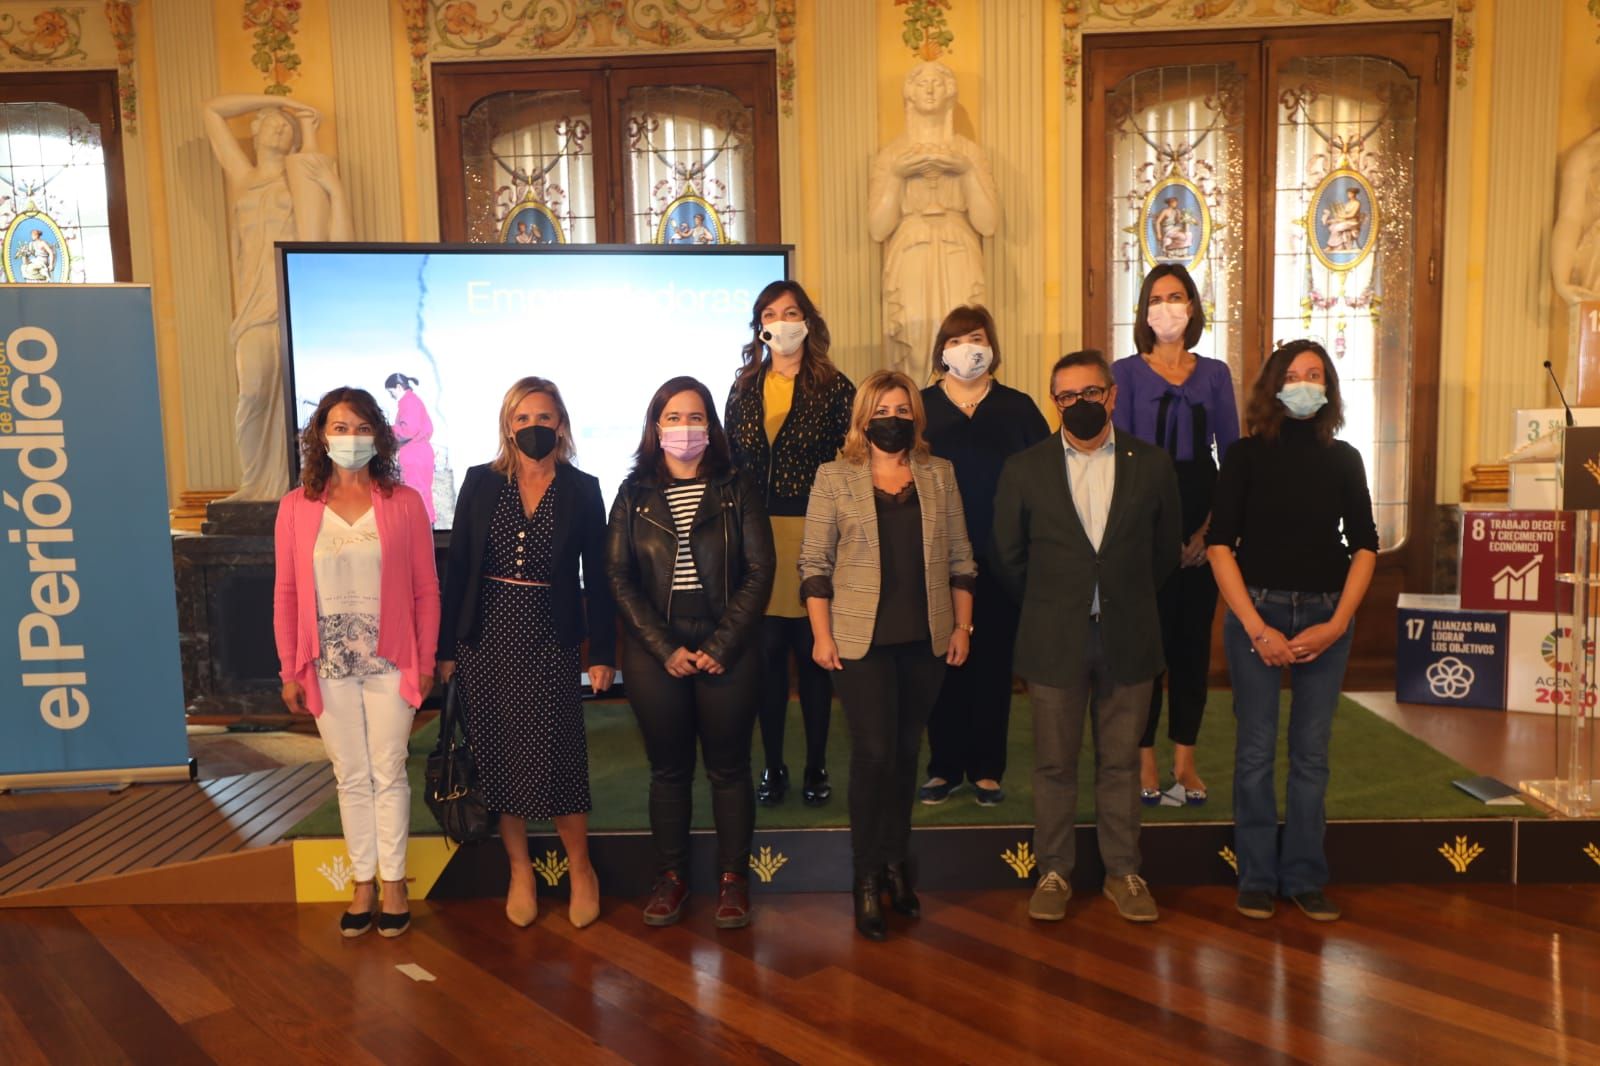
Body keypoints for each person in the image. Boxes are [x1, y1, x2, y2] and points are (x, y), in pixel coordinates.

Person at [992, 350, 1181, 925]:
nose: (1078, 405)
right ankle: (1054, 872)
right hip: (1054, 639)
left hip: (1130, 636)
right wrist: (1059, 602)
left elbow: (1164, 552)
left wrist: (1119, 597)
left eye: (1089, 393)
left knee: (1122, 763)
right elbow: (1008, 556)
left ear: (1112, 395)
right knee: (1054, 764)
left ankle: (1123, 872)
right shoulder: (1025, 468)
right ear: (1055, 402)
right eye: (1066, 397)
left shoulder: (1151, 465)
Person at [798, 369, 976, 941]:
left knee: (905, 755)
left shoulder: (939, 475)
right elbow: (814, 566)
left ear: (916, 418)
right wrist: (821, 636)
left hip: (925, 639)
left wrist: (963, 625)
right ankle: (866, 877)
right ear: (862, 418)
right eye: (882, 409)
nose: (893, 419)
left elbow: (961, 558)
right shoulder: (833, 477)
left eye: (903, 410)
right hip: (858, 642)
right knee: (873, 756)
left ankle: (898, 863)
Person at [1207, 339, 1377, 923]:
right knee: (1255, 753)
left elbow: (1365, 546)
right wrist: (1256, 630)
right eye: (1295, 374)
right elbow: (1219, 547)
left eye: (1316, 374)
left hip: (1327, 616)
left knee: (1311, 755)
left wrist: (1336, 624)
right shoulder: (1244, 455)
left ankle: (1304, 875)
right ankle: (1256, 876)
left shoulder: (1346, 458)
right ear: (1273, 385)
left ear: (1328, 389)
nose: (1306, 383)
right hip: (1258, 613)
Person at [437, 377, 616, 929]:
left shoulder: (583, 489)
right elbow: (459, 568)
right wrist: (448, 650)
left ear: (560, 423)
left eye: (543, 418)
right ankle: (520, 870)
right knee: (499, 758)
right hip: (485, 640)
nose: (533, 428)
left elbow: (602, 580)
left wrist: (601, 653)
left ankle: (581, 868)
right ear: (506, 426)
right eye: (522, 419)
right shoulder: (478, 483)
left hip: (550, 638)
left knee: (559, 755)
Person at [606, 377, 775, 929]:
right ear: (656, 427)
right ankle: (672, 877)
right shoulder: (633, 494)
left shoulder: (737, 487)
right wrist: (664, 647)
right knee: (669, 771)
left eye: (695, 417)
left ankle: (733, 880)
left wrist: (723, 643)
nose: (685, 428)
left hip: (730, 644)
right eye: (673, 418)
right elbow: (618, 575)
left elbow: (759, 570)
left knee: (729, 769)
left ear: (711, 425)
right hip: (657, 650)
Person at [273, 387, 439, 939]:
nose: (350, 438)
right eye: (339, 428)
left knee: (388, 771)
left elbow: (425, 591)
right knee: (351, 775)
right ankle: (361, 884)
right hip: (325, 664)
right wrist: (289, 670)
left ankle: (394, 884)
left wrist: (427, 658)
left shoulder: (405, 502)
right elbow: (286, 592)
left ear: (379, 434)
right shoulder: (297, 506)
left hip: (392, 659)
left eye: (361, 426)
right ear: (321, 435)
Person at [1112, 265, 1239, 808]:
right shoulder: (1121, 372)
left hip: (1201, 506)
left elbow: (1233, 458)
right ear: (1144, 311)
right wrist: (1154, 538)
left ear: (1192, 307)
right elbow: (1113, 459)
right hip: (1141, 513)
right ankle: (1144, 756)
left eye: (1177, 297)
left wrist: (1207, 533)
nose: (1167, 307)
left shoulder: (1214, 373)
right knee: (1146, 649)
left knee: (1190, 648)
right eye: (1157, 298)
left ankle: (1185, 760)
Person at [724, 281, 855, 809]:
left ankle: (816, 762)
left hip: (816, 536)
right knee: (768, 661)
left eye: (792, 312)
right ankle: (774, 764)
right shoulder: (742, 387)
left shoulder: (835, 387)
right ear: (760, 325)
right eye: (771, 314)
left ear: (808, 321)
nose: (783, 322)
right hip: (757, 540)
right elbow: (730, 464)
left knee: (816, 655)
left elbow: (851, 465)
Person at [918, 305, 1049, 808]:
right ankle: (943, 766)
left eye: (974, 337)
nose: (964, 347)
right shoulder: (921, 407)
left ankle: (987, 768)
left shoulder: (1018, 408)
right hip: (937, 559)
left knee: (993, 663)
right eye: (953, 339)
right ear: (941, 351)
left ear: (990, 345)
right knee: (942, 662)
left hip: (1002, 559)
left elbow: (1044, 480)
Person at [204, 95, 352, 500]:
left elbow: (327, 240)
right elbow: (212, 111)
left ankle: (297, 484)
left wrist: (309, 130)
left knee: (299, 400)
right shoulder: (242, 177)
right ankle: (254, 484)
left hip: (291, 299)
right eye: (272, 123)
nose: (280, 129)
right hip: (252, 304)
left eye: (286, 127)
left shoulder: (299, 177)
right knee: (253, 390)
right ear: (253, 132)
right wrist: (277, 99)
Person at [868, 60, 999, 385]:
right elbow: (878, 228)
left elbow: (988, 223)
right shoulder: (891, 154)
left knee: (964, 335)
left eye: (937, 82)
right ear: (909, 94)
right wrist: (898, 176)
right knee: (914, 339)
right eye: (921, 82)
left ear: (950, 93)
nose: (929, 88)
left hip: (958, 250)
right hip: (911, 252)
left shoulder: (969, 151)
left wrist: (966, 171)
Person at [386, 373, 437, 525]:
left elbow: (408, 430)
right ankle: (427, 525)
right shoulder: (412, 401)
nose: (391, 396)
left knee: (415, 493)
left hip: (414, 455)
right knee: (422, 492)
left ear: (398, 387)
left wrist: (385, 430)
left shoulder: (409, 402)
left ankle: (422, 527)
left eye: (391, 392)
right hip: (419, 453)